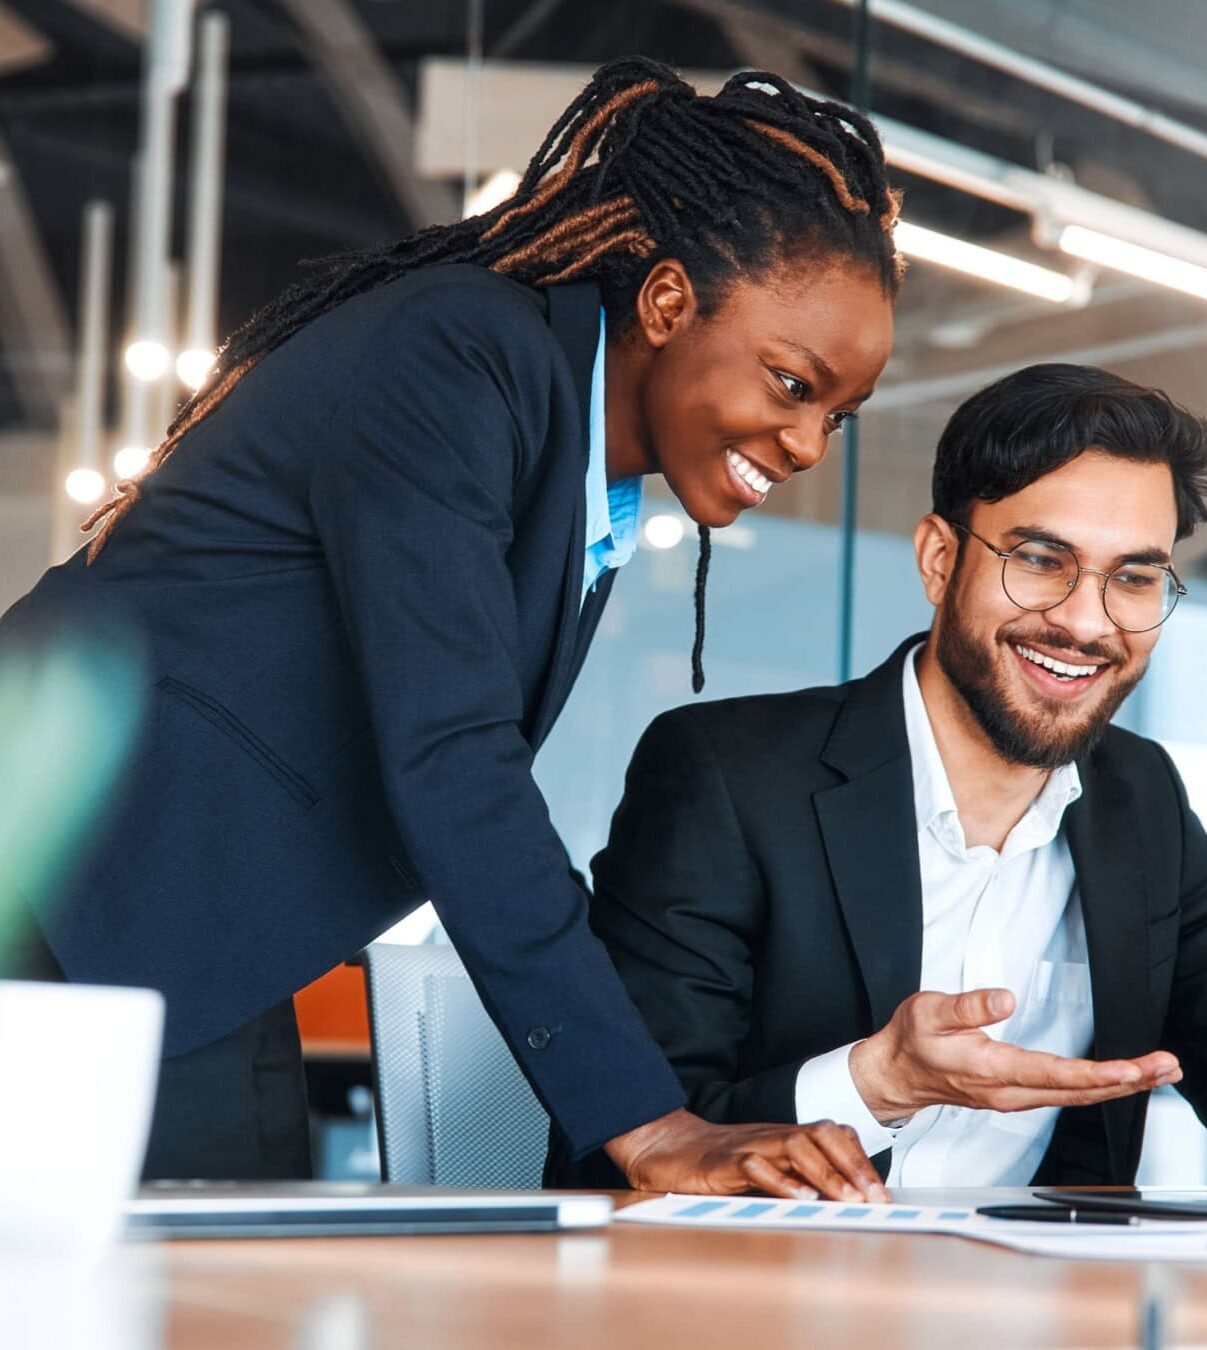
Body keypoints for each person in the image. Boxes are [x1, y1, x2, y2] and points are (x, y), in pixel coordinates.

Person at [0, 57, 903, 1201]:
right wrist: (648, 1119)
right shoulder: (460, 359)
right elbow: (453, 762)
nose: (809, 443)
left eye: (838, 413)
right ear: (669, 304)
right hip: (56, 881)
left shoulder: (580, 471)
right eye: (790, 382)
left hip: (182, 928)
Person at [551, 363, 1207, 1191]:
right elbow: (625, 1135)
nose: (1085, 621)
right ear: (939, 560)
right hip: (768, 1307)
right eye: (1042, 559)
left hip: (1048, 1310)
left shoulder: (1136, 796)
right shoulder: (726, 774)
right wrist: (874, 1083)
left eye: (1134, 577)